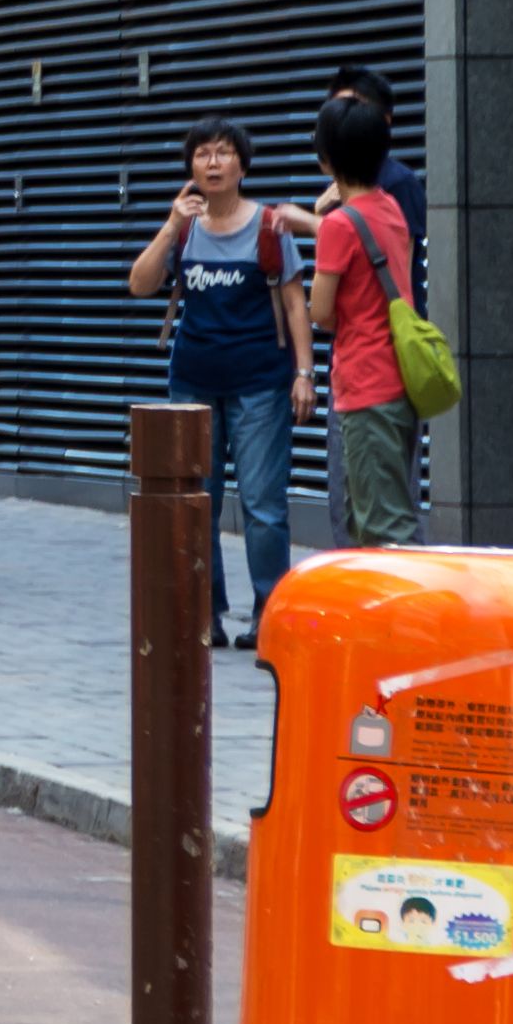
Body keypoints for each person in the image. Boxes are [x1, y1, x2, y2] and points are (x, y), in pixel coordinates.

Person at [131, 120, 304, 642]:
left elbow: (296, 302)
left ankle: (268, 613)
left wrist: (304, 374)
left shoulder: (269, 226)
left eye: (223, 154)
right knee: (195, 501)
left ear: (242, 166)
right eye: (202, 154)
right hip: (193, 384)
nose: (211, 163)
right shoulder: (184, 231)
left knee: (263, 505)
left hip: (261, 384)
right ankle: (202, 610)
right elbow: (140, 286)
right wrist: (168, 226)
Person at [301, 90, 432, 549]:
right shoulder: (390, 207)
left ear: (327, 158)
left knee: (383, 529)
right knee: (380, 516)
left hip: (365, 384)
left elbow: (321, 312)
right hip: (397, 380)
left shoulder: (339, 225)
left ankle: (412, 620)